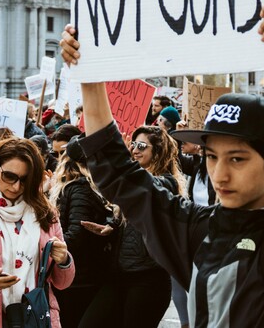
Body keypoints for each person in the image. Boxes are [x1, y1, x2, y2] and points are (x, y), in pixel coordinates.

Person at [60, 0, 264, 326]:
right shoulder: (196, 229)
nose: (220, 174)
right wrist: (90, 77)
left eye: (237, 159)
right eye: (212, 157)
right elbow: (117, 172)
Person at [78, 125, 184, 328]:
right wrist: (113, 228)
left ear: (158, 152)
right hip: (119, 275)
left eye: (142, 146)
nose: (135, 149)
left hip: (148, 279)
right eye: (133, 144)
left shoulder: (166, 184)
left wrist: (121, 161)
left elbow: (143, 188)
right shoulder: (136, 179)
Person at [0, 137, 75, 327]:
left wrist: (63, 261)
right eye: (9, 176)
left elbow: (62, 283)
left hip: (35, 318)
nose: (16, 187)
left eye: (24, 179)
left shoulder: (46, 215)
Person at [49, 148, 112, 328]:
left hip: (79, 277)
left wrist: (50, 250)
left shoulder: (79, 188)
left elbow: (77, 234)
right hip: (81, 275)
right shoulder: (83, 187)